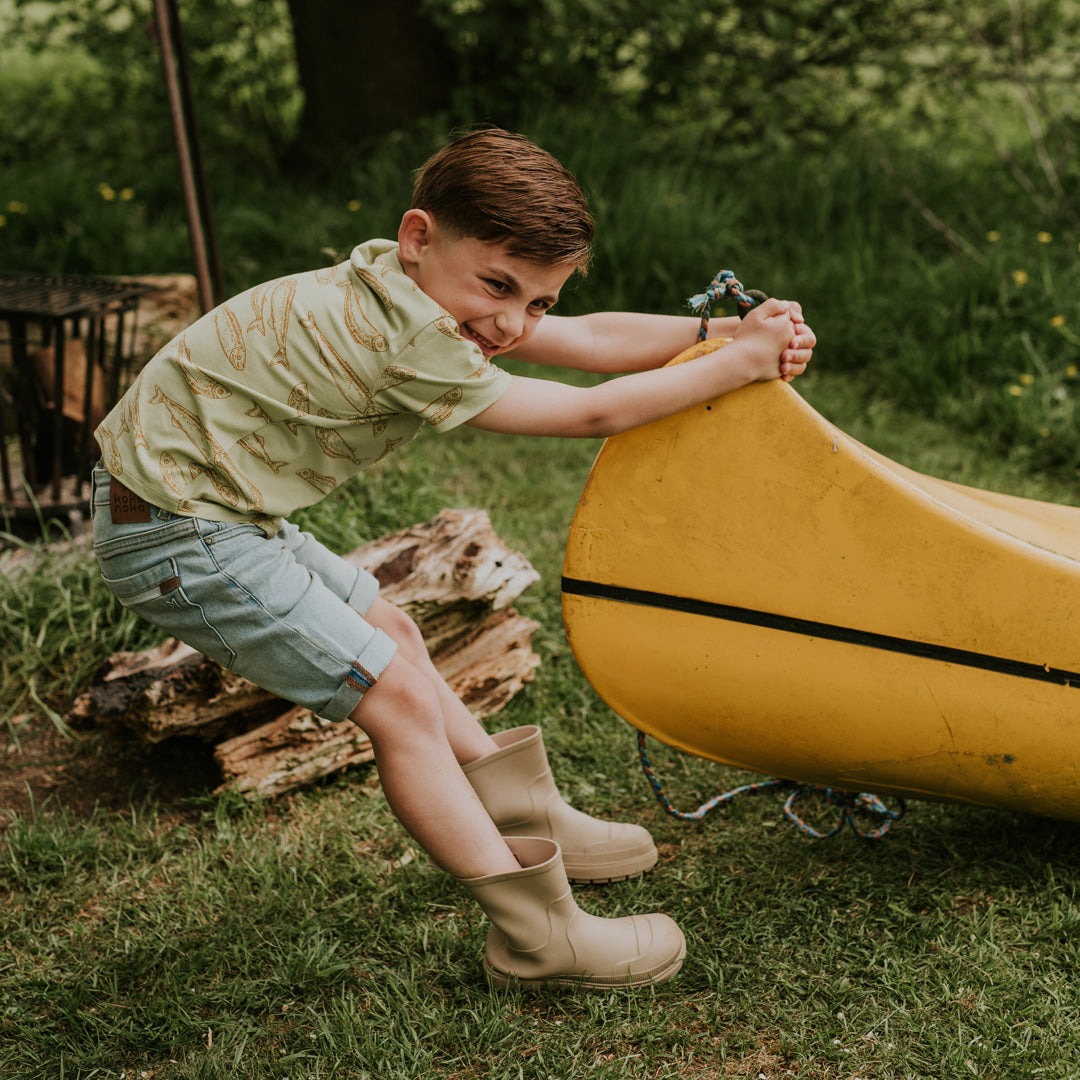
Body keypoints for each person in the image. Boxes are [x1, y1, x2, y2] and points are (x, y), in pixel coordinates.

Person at [90, 128, 815, 990]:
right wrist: (737, 365)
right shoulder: (408, 338)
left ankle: (524, 813)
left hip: (215, 510)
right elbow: (592, 410)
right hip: (180, 530)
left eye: (535, 301)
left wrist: (720, 332)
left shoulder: (400, 283)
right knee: (393, 697)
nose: (512, 322)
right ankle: (536, 936)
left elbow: (584, 339)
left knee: (392, 627)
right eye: (498, 286)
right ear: (419, 236)